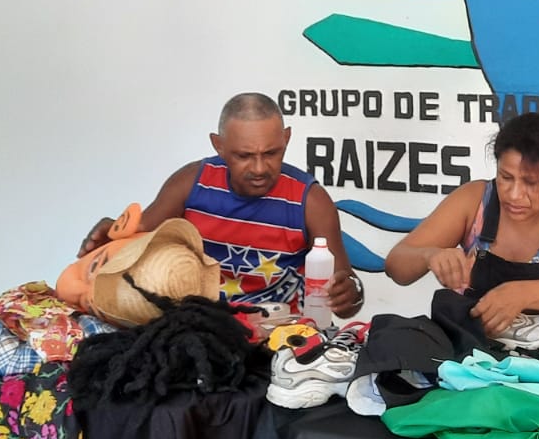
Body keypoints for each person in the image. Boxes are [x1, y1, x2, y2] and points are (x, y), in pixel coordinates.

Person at [75, 93, 364, 321]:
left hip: (278, 337)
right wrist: (110, 236)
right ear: (219, 145)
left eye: (271, 153)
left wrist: (351, 293)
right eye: (244, 156)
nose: (259, 168)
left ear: (286, 139)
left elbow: (346, 302)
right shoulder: (190, 183)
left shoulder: (311, 201)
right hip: (197, 328)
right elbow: (136, 243)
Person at [383, 113, 539, 340]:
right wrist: (429, 255)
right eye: (505, 177)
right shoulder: (473, 200)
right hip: (467, 346)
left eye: (531, 182)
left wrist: (523, 294)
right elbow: (396, 266)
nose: (514, 194)